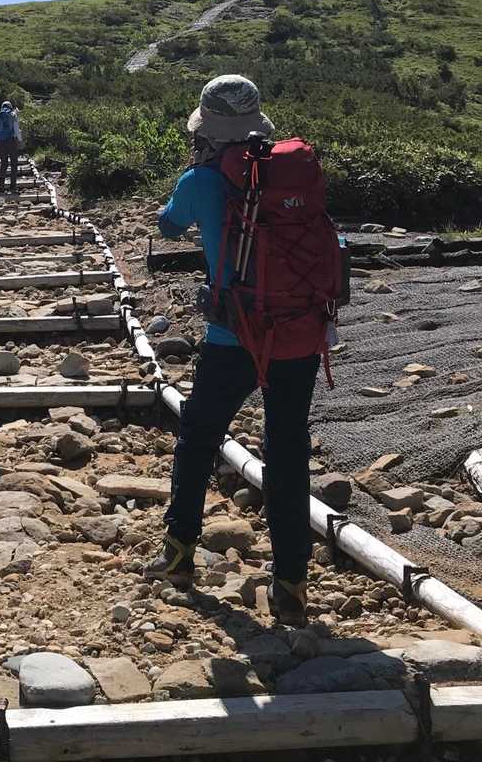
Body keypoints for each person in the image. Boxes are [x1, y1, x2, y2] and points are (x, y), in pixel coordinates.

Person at [144, 74, 323, 628]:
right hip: (297, 332)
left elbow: (168, 226)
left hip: (234, 336)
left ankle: (179, 554)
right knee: (287, 449)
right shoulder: (292, 172)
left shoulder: (200, 179)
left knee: (199, 437)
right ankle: (291, 585)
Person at [0, 100, 22, 192]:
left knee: (3, 164)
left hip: (1, 142)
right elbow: (16, 130)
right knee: (14, 164)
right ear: (10, 107)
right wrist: (20, 141)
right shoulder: (13, 115)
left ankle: (1, 187)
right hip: (11, 142)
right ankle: (13, 187)